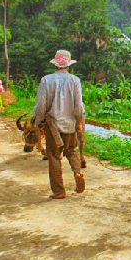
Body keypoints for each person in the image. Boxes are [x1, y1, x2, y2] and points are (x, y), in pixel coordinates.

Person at [31, 50, 86, 199]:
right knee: (71, 150)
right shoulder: (75, 80)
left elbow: (41, 105)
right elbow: (79, 106)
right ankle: (77, 173)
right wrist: (79, 123)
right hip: (70, 124)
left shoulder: (46, 80)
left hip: (53, 125)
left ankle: (59, 190)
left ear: (55, 65)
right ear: (68, 66)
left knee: (54, 156)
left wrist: (37, 121)